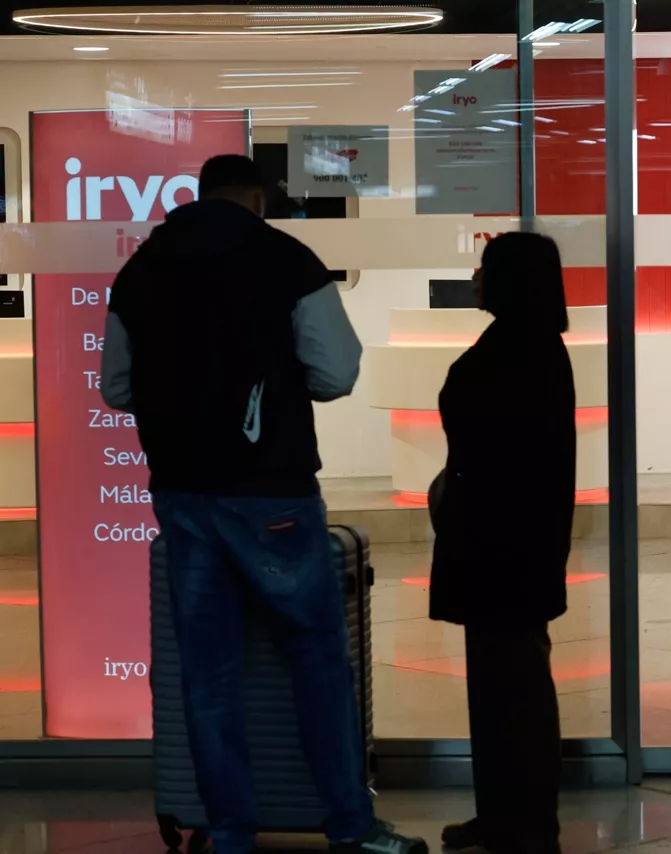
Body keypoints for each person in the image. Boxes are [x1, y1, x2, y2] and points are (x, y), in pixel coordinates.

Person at [100, 154, 426, 854]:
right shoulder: (286, 260)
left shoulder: (141, 271)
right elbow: (336, 372)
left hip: (183, 494)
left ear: (196, 198)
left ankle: (229, 834)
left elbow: (116, 388)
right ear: (255, 199)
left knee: (208, 672)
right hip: (272, 492)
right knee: (314, 655)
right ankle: (349, 826)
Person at [430, 232, 575, 854]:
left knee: (510, 686)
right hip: (507, 543)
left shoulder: (522, 349)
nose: (477, 276)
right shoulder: (529, 344)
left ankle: (524, 819)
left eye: (487, 268)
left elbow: (493, 445)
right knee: (504, 684)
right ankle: (506, 814)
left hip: (503, 545)